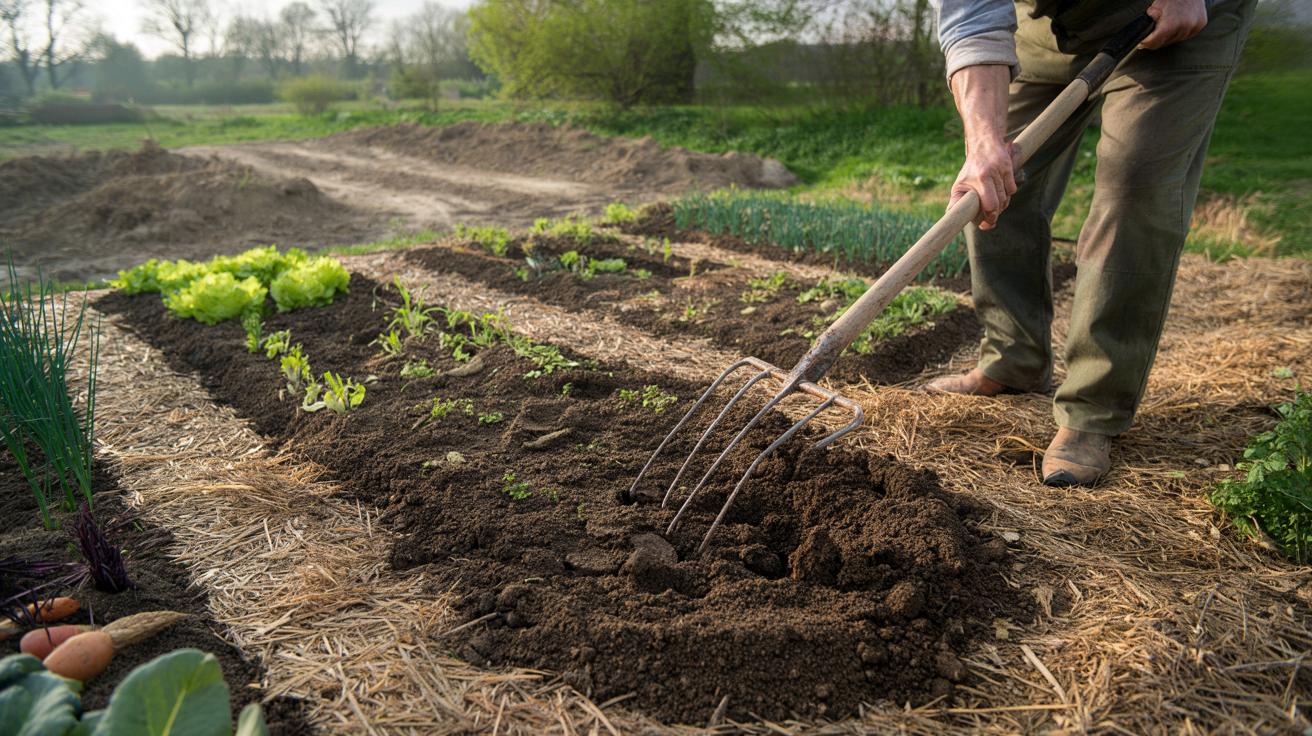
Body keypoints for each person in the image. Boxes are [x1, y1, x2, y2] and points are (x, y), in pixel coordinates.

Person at [925, 0, 1257, 486]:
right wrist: (984, 144)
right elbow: (971, 17)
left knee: (1133, 187)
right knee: (995, 182)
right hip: (1046, 29)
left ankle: (1092, 410)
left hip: (1178, 19)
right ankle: (1012, 359)